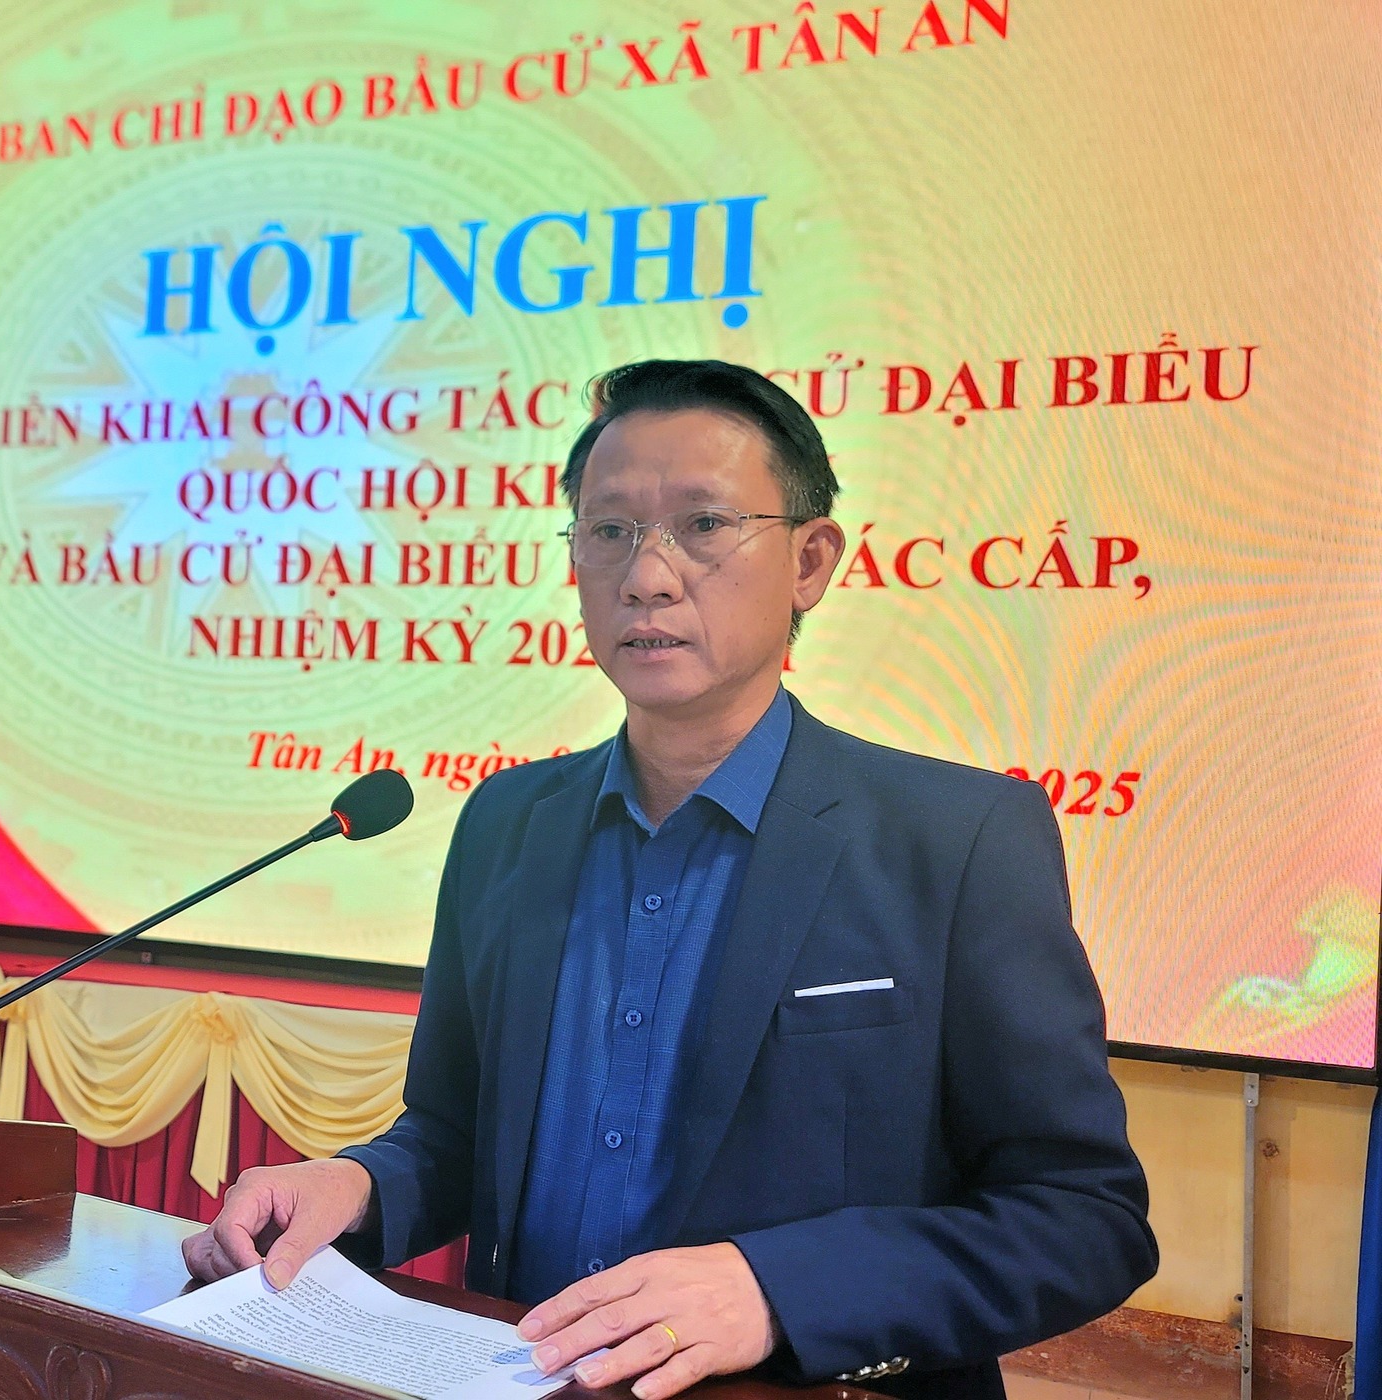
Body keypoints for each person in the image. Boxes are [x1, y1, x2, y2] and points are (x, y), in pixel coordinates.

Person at [181, 360, 1157, 1400]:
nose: (646, 575)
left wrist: (777, 1291)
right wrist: (359, 1184)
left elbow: (1081, 1215)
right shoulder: (508, 824)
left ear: (810, 561)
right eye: (608, 530)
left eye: (703, 525)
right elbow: (459, 1133)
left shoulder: (957, 838)